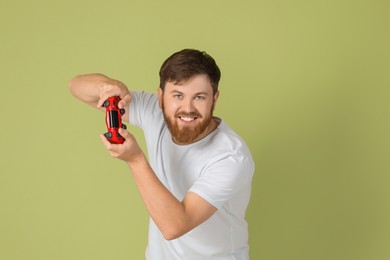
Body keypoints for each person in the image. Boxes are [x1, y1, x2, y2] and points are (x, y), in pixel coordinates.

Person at [68, 49, 255, 260]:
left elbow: (174, 226)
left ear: (214, 99)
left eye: (199, 97)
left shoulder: (231, 157)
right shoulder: (154, 112)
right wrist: (108, 86)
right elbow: (76, 86)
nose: (187, 108)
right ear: (160, 97)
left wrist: (135, 160)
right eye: (178, 95)